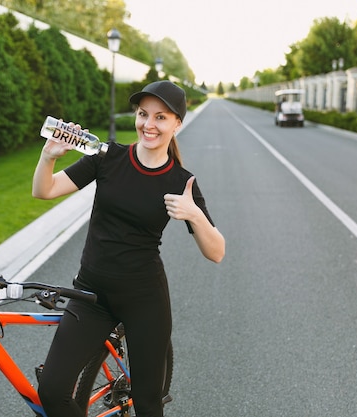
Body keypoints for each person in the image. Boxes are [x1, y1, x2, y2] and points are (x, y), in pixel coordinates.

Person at [32, 80, 225, 417]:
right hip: (91, 295)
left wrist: (195, 214)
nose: (149, 125)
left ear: (178, 123)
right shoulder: (107, 157)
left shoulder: (181, 182)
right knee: (52, 391)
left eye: (161, 117)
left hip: (144, 300)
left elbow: (217, 252)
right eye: (143, 114)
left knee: (147, 404)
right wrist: (47, 157)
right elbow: (44, 190)